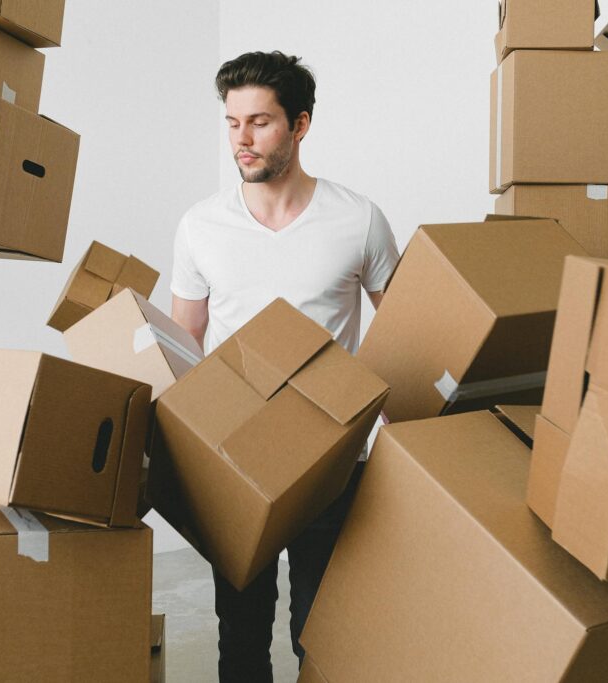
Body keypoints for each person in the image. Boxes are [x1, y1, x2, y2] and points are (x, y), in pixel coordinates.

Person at [170, 50, 400, 682]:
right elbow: (183, 348)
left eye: (260, 123)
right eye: (232, 122)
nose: (241, 140)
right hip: (234, 459)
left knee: (320, 631)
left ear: (300, 125)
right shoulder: (200, 227)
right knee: (239, 635)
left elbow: (413, 329)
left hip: (331, 459)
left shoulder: (358, 219)